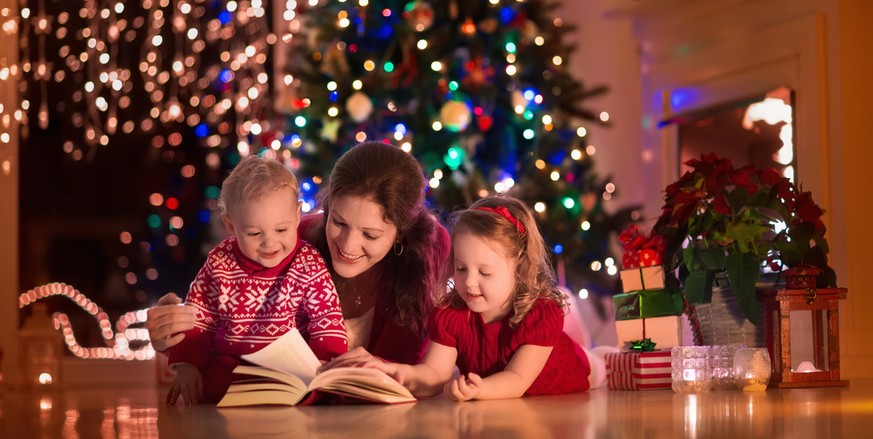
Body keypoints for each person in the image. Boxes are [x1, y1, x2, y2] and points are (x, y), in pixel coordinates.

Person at [147, 141, 451, 370]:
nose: (347, 244)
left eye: (369, 235)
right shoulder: (290, 239)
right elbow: (229, 322)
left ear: (401, 233)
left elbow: (404, 360)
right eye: (338, 222)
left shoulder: (427, 247)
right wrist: (172, 337)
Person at [352, 195, 607, 401]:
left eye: (485, 272)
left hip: (575, 370)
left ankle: (609, 357)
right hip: (505, 398)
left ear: (518, 267)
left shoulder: (539, 313)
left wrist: (479, 390)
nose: (469, 282)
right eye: (461, 269)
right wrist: (395, 372)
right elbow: (434, 374)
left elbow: (517, 380)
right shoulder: (451, 315)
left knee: (604, 365)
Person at [165, 155, 347, 404]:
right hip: (231, 364)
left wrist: (327, 364)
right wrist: (187, 364)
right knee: (210, 386)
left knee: (310, 391)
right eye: (254, 233)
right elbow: (198, 317)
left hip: (288, 369)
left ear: (296, 216)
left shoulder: (308, 263)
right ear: (230, 225)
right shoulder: (221, 262)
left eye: (281, 230)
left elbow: (327, 320)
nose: (269, 242)